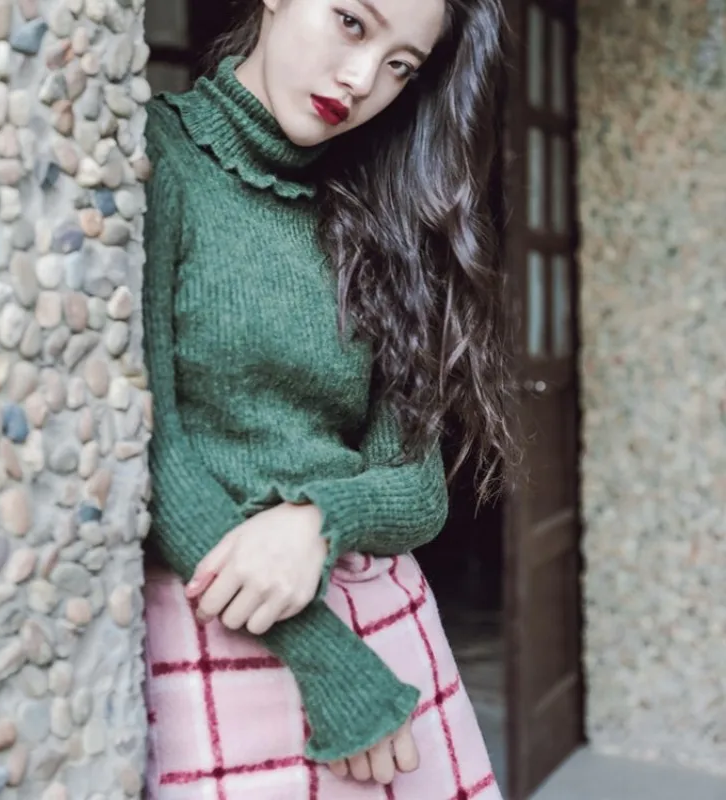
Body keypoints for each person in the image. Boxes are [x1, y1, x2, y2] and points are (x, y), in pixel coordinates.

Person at [140, 0, 515, 796]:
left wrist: (319, 518)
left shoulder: (377, 206)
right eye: (352, 22)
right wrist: (330, 663)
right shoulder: (158, 159)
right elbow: (153, 453)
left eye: (401, 65)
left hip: (382, 617)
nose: (362, 78)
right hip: (228, 626)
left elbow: (417, 486)